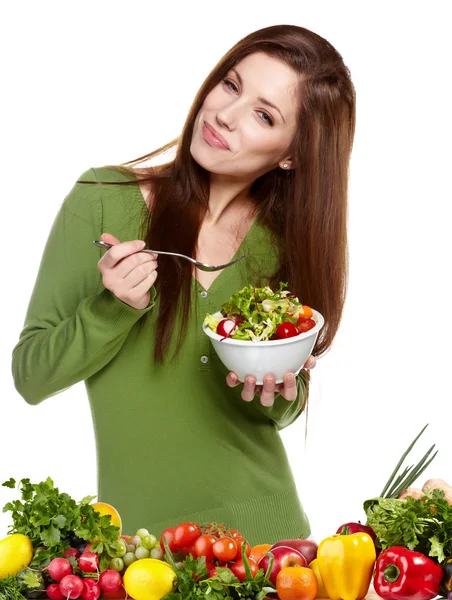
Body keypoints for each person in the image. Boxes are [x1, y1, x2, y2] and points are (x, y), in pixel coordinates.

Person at [11, 24, 355, 544]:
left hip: (271, 548)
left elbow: (280, 411)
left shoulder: (285, 247)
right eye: (231, 85)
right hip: (140, 554)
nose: (225, 115)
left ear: (292, 155)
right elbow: (31, 376)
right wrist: (112, 307)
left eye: (264, 116)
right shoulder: (103, 198)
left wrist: (277, 390)